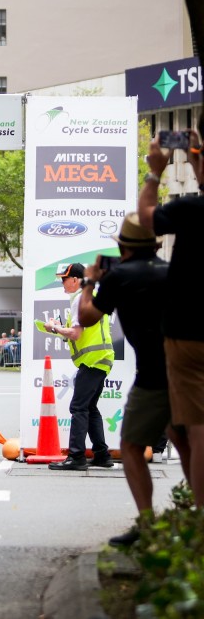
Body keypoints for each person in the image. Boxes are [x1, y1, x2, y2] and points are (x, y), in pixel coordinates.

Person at [77, 213, 191, 546]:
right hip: (186, 368)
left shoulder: (120, 276)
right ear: (154, 245)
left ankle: (147, 525)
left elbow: (86, 315)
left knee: (130, 446)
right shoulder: (173, 272)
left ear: (123, 247)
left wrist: (90, 281)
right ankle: (195, 517)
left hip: (152, 375)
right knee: (185, 443)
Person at [139, 124, 204, 506]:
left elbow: (147, 217)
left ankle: (199, 522)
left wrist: (155, 170)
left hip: (189, 333)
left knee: (198, 431)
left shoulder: (191, 210)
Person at [44, 263, 114, 472]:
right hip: (101, 359)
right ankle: (102, 455)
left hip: (92, 360)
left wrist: (53, 327)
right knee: (90, 408)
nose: (62, 284)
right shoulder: (91, 297)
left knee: (78, 408)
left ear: (75, 279)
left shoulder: (79, 300)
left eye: (64, 279)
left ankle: (76, 457)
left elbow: (76, 334)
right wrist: (59, 329)